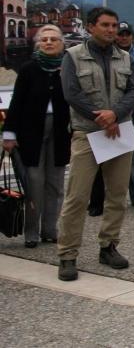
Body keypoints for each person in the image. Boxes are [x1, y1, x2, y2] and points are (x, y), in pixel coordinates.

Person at [56, 7, 134, 281]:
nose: (111, 30)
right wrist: (101, 117)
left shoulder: (125, 57)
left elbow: (133, 92)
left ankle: (109, 246)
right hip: (87, 133)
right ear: (91, 27)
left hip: (119, 131)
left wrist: (115, 114)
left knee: (116, 195)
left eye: (115, 25)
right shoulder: (73, 57)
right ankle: (67, 254)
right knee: (77, 197)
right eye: (105, 25)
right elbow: (71, 93)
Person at [2, 25, 71, 248]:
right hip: (31, 132)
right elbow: (17, 102)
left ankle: (50, 228)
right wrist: (9, 134)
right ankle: (31, 230)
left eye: (54, 39)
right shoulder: (29, 69)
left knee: (56, 184)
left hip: (60, 132)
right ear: (38, 44)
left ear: (62, 44)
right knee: (34, 182)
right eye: (44, 40)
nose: (49, 43)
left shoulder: (68, 68)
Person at [88, 21, 134, 213]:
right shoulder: (104, 55)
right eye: (120, 33)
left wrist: (115, 112)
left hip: (131, 115)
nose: (123, 37)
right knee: (102, 157)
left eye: (126, 33)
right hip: (105, 116)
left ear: (131, 36)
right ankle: (103, 198)